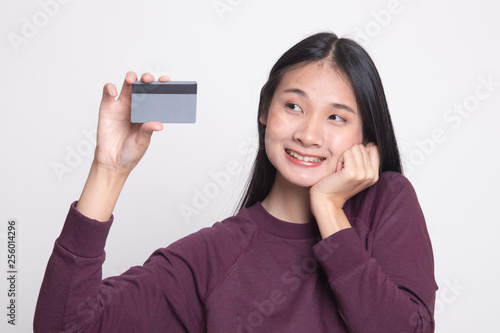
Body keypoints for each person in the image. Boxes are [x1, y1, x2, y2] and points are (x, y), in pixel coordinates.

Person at [34, 32, 438, 332]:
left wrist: (330, 212)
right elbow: (64, 326)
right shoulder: (214, 255)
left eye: (337, 117)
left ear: (365, 136)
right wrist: (109, 170)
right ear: (265, 110)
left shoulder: (387, 201)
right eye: (293, 106)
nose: (309, 135)